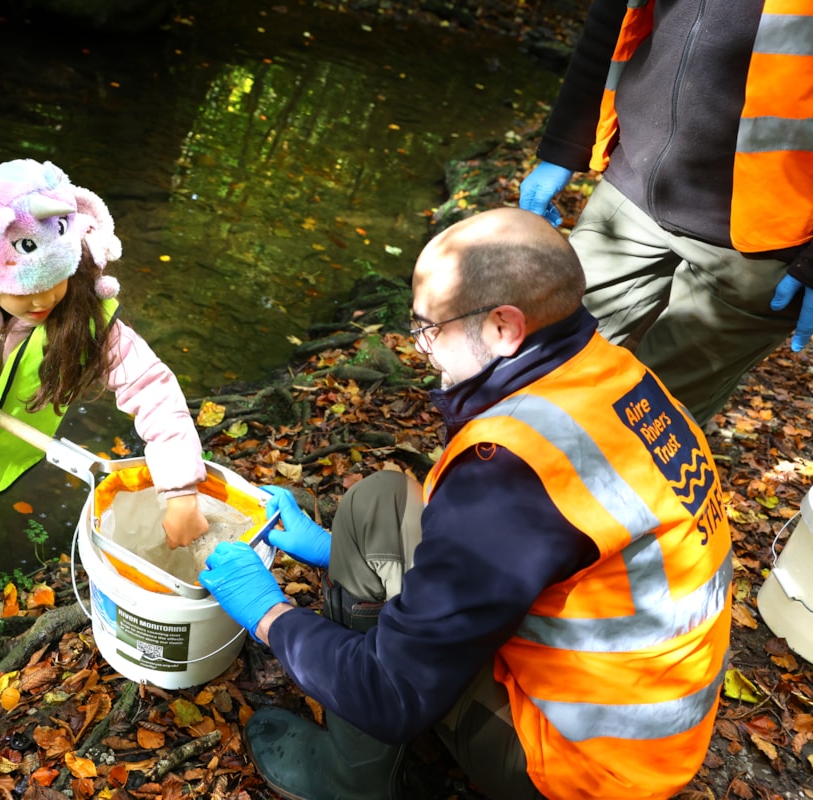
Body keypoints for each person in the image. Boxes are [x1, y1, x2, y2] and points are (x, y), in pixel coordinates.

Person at [199, 208, 732, 800]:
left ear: (504, 327)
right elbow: (513, 559)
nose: (420, 347)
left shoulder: (510, 473)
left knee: (386, 676)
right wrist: (333, 550)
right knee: (379, 502)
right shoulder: (614, 375)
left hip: (583, 767)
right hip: (641, 710)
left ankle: (347, 782)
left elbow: (389, 690)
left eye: (428, 327)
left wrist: (267, 612)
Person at [0, 158, 208, 637]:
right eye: (24, 289)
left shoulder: (87, 315)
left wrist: (179, 492)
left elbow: (152, 388)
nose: (44, 299)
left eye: (57, 278)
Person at [518, 0, 813, 427]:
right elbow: (614, 18)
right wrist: (564, 147)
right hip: (629, 195)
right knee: (531, 376)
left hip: (762, 240)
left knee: (647, 435)